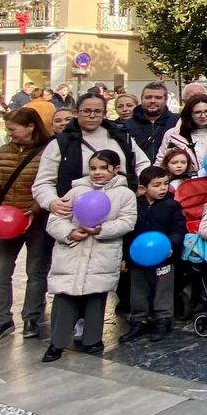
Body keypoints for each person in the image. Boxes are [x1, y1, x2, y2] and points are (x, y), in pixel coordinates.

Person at [42, 149, 136, 362]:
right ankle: (57, 342)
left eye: (103, 168)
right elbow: (56, 219)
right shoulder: (76, 192)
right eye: (93, 168)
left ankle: (92, 339)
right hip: (72, 253)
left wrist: (102, 229)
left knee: (96, 297)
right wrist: (69, 232)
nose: (97, 172)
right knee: (65, 296)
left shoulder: (125, 195)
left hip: (102, 254)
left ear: (116, 169)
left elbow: (127, 221)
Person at [0, 106, 55, 344]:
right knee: (0, 272)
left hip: (36, 220)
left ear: (30, 126)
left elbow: (49, 184)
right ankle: (2, 319)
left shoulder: (48, 152)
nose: (9, 133)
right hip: (5, 221)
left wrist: (33, 210)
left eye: (13, 129)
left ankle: (31, 318)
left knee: (36, 271)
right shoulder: (4, 151)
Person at [33, 92, 150, 218]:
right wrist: (52, 202)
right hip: (76, 212)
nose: (92, 116)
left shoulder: (121, 137)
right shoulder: (60, 143)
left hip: (120, 211)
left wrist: (137, 186)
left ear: (104, 114)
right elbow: (43, 182)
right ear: (76, 112)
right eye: (87, 111)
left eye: (97, 111)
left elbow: (143, 163)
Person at [119, 164, 186, 342]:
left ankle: (163, 319)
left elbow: (179, 229)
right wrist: (125, 256)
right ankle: (139, 320)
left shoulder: (172, 205)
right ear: (143, 188)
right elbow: (128, 232)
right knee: (138, 289)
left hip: (164, 256)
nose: (163, 188)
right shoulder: (134, 206)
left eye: (165, 183)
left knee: (163, 288)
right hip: (138, 257)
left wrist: (171, 245)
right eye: (157, 185)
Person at [156, 93, 207, 171]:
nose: (203, 116)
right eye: (197, 112)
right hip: (184, 181)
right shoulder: (172, 134)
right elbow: (161, 162)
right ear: (189, 114)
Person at [124, 81, 177, 164]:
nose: (152, 101)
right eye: (148, 97)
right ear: (141, 99)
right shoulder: (126, 126)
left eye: (158, 97)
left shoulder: (178, 122)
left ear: (166, 100)